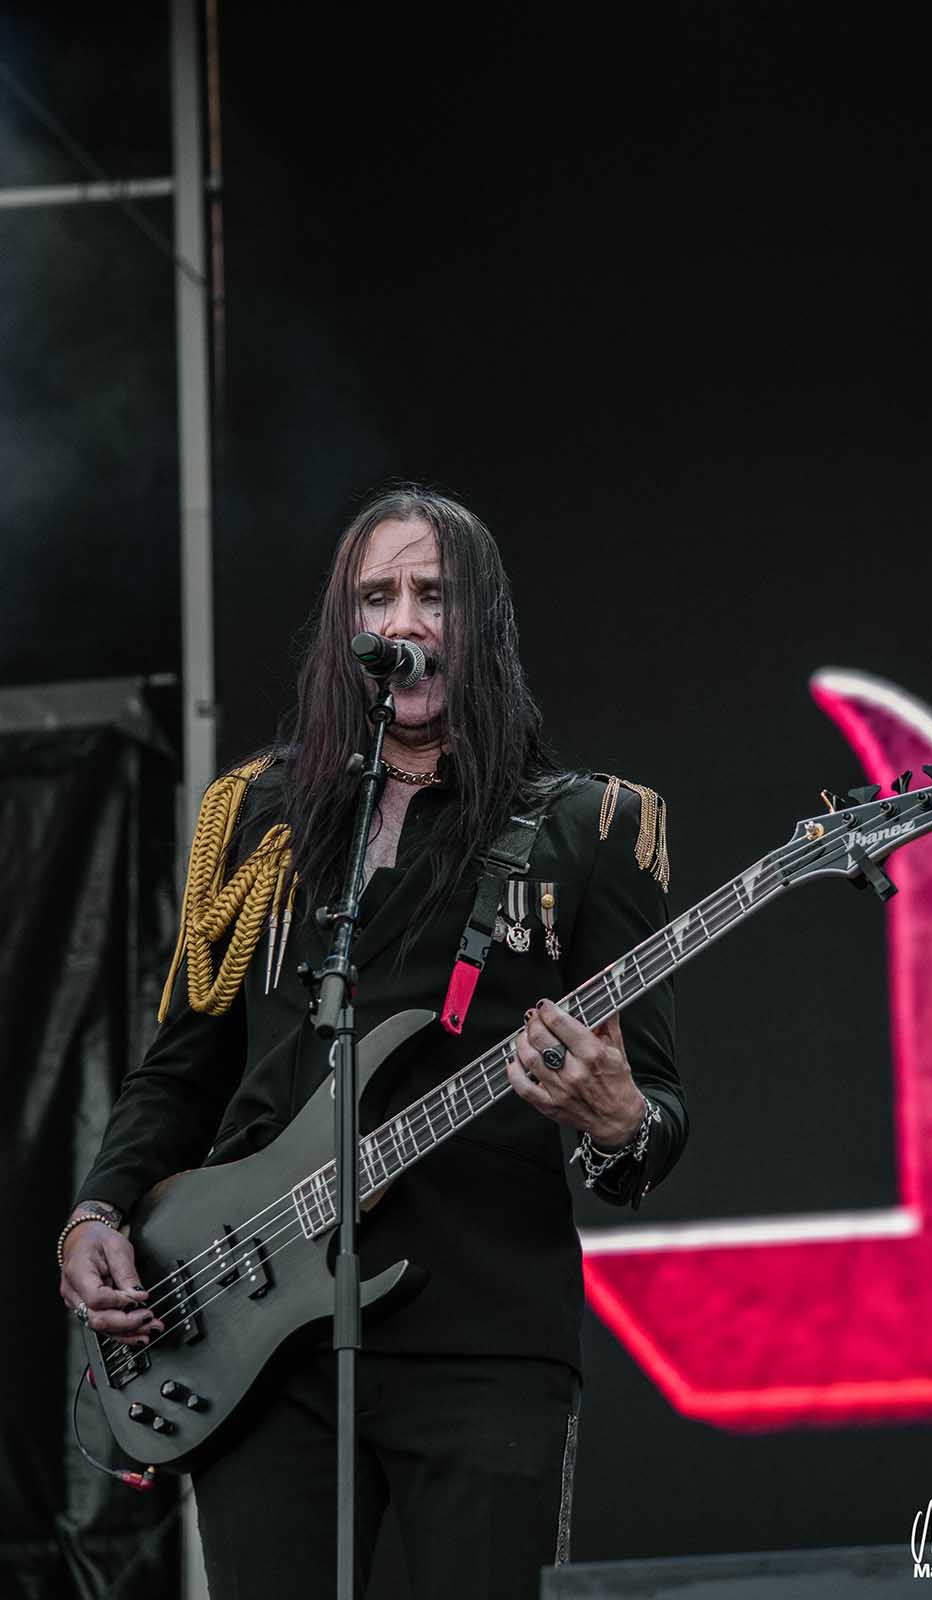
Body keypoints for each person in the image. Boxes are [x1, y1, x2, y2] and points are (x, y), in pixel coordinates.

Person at [57, 486, 687, 1600]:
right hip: (254, 1339)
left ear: (483, 623)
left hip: (482, 1336)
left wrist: (619, 1122)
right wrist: (99, 1210)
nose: (404, 621)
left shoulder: (589, 826)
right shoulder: (255, 816)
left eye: (433, 595)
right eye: (377, 596)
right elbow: (184, 1063)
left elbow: (657, 1112)